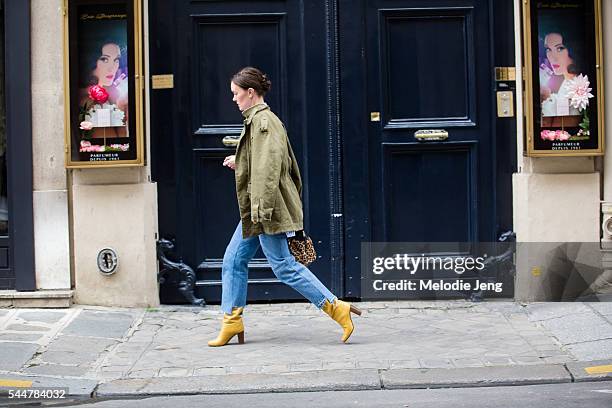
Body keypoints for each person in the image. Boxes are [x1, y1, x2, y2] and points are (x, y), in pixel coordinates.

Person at [208, 67, 361, 347]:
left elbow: (269, 169)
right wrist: (239, 161)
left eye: (236, 94)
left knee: (284, 267)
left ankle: (337, 308)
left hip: (265, 208)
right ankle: (231, 322)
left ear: (250, 93)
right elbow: (264, 162)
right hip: (258, 207)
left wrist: (263, 209)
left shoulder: (264, 122)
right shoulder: (257, 120)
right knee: (233, 260)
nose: (233, 99)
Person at [78, 40, 128, 138]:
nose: (112, 68)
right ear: (91, 60)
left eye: (116, 60)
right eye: (105, 59)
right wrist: (120, 106)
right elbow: (113, 145)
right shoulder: (90, 101)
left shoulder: (103, 94)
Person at [539, 30, 583, 122]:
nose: (552, 57)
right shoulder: (566, 82)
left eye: (559, 49)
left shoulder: (580, 84)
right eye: (548, 49)